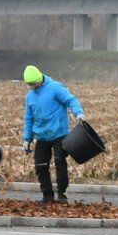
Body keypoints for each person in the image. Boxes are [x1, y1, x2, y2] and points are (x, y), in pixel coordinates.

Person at [21, 64, 84, 204]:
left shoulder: (55, 88)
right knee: (40, 166)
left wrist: (78, 113)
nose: (31, 87)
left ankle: (62, 194)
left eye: (33, 84)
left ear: (39, 79)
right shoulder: (29, 97)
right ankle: (47, 196)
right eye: (29, 85)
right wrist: (27, 139)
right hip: (41, 136)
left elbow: (71, 100)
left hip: (59, 134)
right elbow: (29, 119)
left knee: (60, 162)